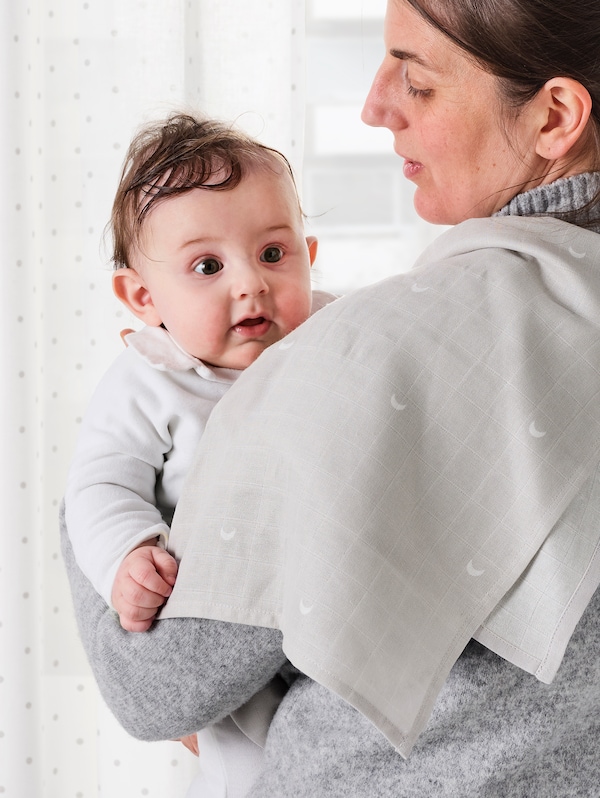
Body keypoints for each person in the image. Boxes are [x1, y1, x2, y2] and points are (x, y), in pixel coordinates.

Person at [61, 1, 600, 795]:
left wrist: (84, 518)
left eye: (415, 81)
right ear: (140, 297)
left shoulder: (391, 345)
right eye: (205, 265)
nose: (374, 105)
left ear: (555, 116)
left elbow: (156, 686)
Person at [63, 112, 332, 796]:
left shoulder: (333, 339)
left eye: (274, 254)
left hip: (329, 610)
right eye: (207, 266)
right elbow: (98, 487)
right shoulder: (150, 378)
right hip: (214, 611)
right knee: (253, 759)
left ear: (310, 253)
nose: (250, 284)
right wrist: (128, 553)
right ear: (143, 297)